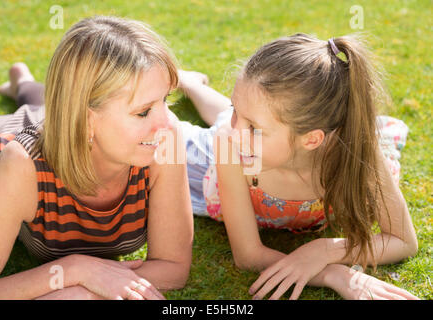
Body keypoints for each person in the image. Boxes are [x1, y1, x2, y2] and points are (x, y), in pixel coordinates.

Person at [176, 33, 419, 300]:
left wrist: (324, 250)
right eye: (238, 109)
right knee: (210, 128)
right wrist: (335, 273)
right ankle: (191, 84)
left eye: (253, 129)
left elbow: (404, 241)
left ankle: (205, 91)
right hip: (218, 159)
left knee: (234, 118)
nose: (236, 132)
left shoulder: (358, 151)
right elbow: (247, 255)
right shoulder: (231, 144)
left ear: (312, 139)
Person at [0, 16, 193, 300]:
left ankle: (22, 81)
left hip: (68, 122)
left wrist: (90, 289)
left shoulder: (164, 139)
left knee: (40, 104)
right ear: (85, 121)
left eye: (165, 100)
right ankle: (22, 82)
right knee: (37, 109)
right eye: (143, 111)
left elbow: (173, 267)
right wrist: (74, 270)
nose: (167, 122)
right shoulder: (20, 166)